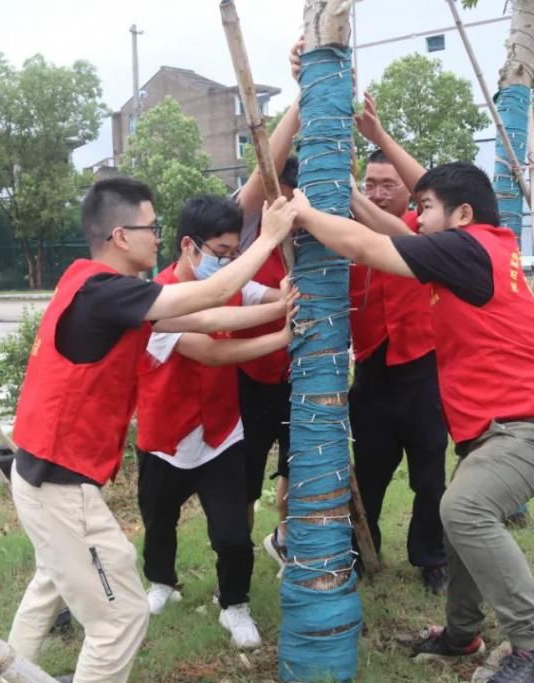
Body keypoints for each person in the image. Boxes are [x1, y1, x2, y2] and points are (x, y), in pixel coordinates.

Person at [289, 158, 534, 683]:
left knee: (464, 509)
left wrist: (303, 211)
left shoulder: (467, 247)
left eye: (424, 209)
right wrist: (369, 161)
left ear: (462, 214)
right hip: (508, 428)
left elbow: (366, 246)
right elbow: (404, 223)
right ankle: (462, 634)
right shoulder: (487, 244)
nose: (415, 220)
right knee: (460, 516)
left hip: (533, 428)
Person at [5, 176, 296, 683]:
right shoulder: (106, 293)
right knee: (121, 618)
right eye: (151, 226)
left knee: (50, 581)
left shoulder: (95, 288)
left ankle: (10, 673)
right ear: (121, 235)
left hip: (40, 473)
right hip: (58, 484)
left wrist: (280, 314)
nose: (157, 237)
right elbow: (215, 291)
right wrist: (269, 236)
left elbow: (204, 315)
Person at [135, 195, 296, 649]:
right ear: (189, 246)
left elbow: (260, 294)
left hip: (222, 435)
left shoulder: (228, 281)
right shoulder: (154, 301)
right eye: (221, 253)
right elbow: (212, 349)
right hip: (166, 438)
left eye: (233, 253)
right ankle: (161, 582)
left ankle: (235, 604)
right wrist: (282, 331)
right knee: (158, 523)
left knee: (232, 535)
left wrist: (290, 290)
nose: (228, 262)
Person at [347, 95, 450, 593]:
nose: (379, 192)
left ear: (408, 195)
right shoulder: (342, 238)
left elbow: (433, 188)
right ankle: (361, 553)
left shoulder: (419, 232)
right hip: (371, 371)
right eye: (370, 185)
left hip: (423, 370)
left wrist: (379, 137)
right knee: (367, 473)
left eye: (389, 185)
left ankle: (431, 557)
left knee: (429, 474)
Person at [231, 101, 302, 574]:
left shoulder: (315, 235)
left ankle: (285, 542)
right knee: (244, 477)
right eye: (284, 200)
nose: (291, 212)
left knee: (299, 469)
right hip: (251, 375)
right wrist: (299, 103)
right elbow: (263, 174)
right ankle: (233, 568)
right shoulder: (245, 233)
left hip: (301, 374)